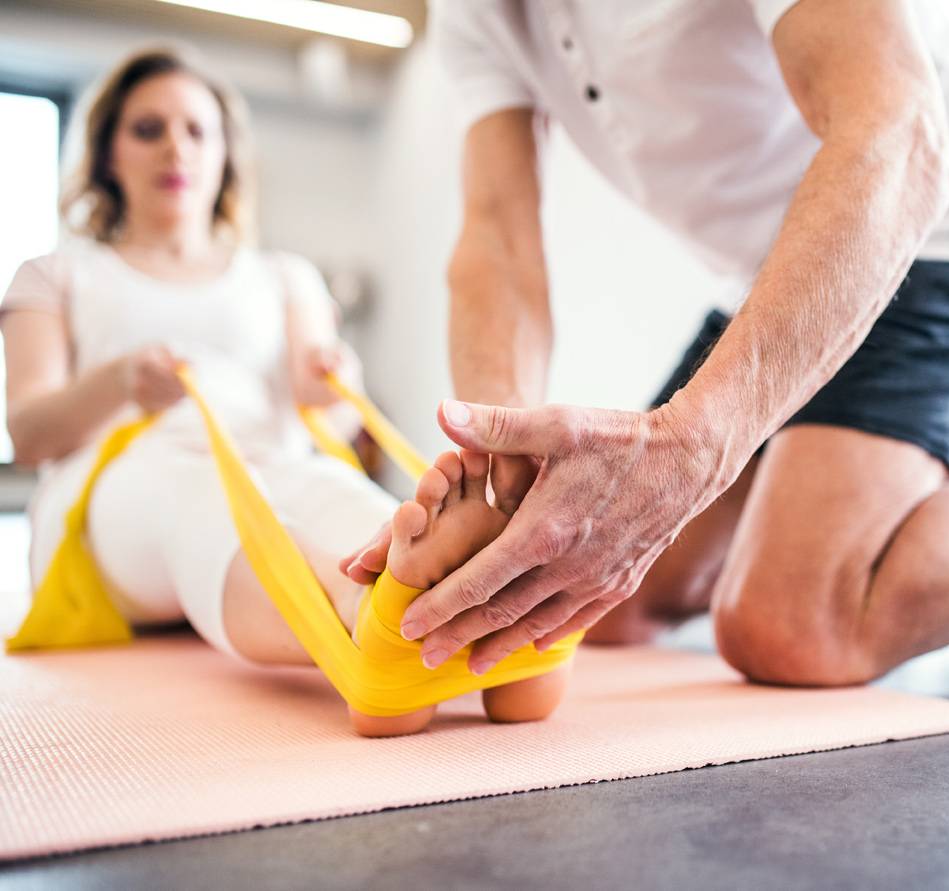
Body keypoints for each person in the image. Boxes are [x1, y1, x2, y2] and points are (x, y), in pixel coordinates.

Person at [343, 0, 949, 682]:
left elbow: (896, 135)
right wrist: (495, 476)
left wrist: (697, 442)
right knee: (605, 603)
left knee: (792, 626)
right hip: (775, 268)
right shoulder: (477, 10)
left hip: (945, 221)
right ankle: (926, 515)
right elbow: (499, 241)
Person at [2, 47, 567, 736]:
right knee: (207, 504)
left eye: (196, 131)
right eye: (148, 129)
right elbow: (29, 432)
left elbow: (320, 395)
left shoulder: (282, 276)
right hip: (119, 480)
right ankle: (371, 622)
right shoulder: (55, 274)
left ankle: (472, 613)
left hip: (273, 457)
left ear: (225, 157)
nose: (174, 147)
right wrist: (120, 381)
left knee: (343, 496)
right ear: (107, 153)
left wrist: (334, 376)